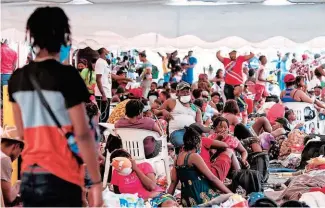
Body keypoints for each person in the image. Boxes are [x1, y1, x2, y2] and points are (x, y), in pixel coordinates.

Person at [7, 7, 102, 206]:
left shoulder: (18, 78)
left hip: (31, 176)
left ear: (32, 37)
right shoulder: (68, 76)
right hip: (63, 176)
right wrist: (96, 183)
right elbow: (83, 135)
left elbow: (22, 133)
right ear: (63, 36)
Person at [167, 127, 232, 207]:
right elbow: (212, 178)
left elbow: (173, 183)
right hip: (200, 197)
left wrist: (166, 199)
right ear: (197, 143)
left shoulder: (177, 158)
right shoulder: (194, 157)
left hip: (187, 201)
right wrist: (230, 193)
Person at [108, 149, 178, 207]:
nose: (121, 166)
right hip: (135, 203)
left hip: (156, 198)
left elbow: (152, 187)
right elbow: (117, 194)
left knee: (169, 204)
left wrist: (136, 169)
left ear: (130, 158)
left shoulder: (144, 166)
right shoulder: (116, 172)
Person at [153, 82, 203, 150]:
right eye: (183, 92)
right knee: (187, 146)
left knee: (197, 145)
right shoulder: (171, 102)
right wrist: (163, 111)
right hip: (177, 132)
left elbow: (199, 123)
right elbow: (154, 111)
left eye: (187, 92)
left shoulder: (194, 107)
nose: (185, 94)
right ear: (177, 93)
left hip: (191, 133)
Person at [1, 126, 24, 206]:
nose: (18, 156)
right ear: (16, 146)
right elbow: (8, 198)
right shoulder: (4, 159)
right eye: (20, 152)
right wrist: (19, 184)